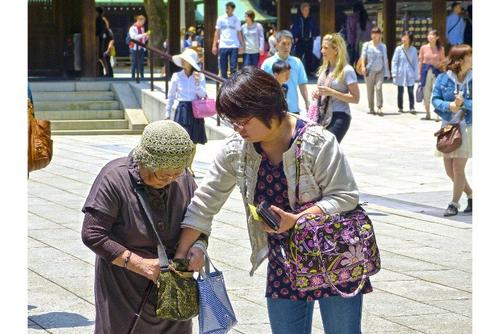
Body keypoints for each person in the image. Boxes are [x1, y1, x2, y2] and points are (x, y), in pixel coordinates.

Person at [174, 66, 371, 334]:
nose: (238, 128)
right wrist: (181, 257)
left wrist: (297, 219)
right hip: (284, 260)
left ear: (268, 108)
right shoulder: (237, 150)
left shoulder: (316, 142)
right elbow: (204, 203)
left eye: (244, 120)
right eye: (233, 121)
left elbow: (345, 196)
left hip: (334, 253)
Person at [81, 120, 207, 333]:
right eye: (163, 174)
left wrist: (199, 247)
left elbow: (199, 223)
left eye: (176, 173)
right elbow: (92, 233)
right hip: (124, 286)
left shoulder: (183, 178)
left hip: (174, 289)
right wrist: (141, 264)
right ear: (144, 161)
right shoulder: (114, 177)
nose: (170, 179)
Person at [431, 44, 472, 217]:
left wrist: (463, 105)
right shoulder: (443, 79)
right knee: (449, 170)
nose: (474, 59)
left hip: (467, 128)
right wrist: (449, 106)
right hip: (447, 128)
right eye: (470, 56)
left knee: (458, 168)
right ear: (460, 60)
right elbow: (435, 99)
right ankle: (471, 195)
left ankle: (453, 204)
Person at [312, 33, 359, 144]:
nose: (322, 51)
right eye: (322, 47)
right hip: (322, 116)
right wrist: (316, 94)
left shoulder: (347, 70)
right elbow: (322, 91)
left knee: (327, 148)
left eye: (326, 48)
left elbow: (356, 98)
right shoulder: (324, 69)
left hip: (339, 115)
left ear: (336, 50)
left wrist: (332, 92)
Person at [165, 48, 207, 146]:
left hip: (195, 109)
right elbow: (171, 96)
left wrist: (197, 83)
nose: (183, 61)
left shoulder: (200, 76)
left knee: (194, 141)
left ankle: (191, 160)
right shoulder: (176, 76)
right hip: (182, 109)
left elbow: (203, 95)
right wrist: (167, 113)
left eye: (186, 60)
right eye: (183, 59)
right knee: (181, 140)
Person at [261, 30, 309, 115]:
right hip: (273, 109)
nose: (286, 47)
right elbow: (262, 85)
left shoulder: (297, 62)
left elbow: (302, 84)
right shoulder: (267, 63)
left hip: (293, 108)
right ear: (276, 45)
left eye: (289, 44)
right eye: (283, 43)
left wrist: (307, 101)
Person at [359, 26, 390, 116]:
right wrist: (363, 67)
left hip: (380, 70)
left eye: (376, 34)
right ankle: (371, 108)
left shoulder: (383, 46)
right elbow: (363, 56)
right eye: (373, 33)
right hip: (369, 70)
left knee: (379, 88)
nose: (374, 35)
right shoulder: (367, 45)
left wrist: (387, 72)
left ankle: (379, 107)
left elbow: (385, 59)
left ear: (380, 35)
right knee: (370, 90)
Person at [212, 1, 245, 79]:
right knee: (223, 67)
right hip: (223, 45)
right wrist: (214, 45)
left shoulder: (236, 19)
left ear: (233, 9)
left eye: (229, 8)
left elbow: (239, 33)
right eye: (226, 8)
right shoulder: (220, 18)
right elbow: (217, 32)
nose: (227, 10)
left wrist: (242, 45)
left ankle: (232, 85)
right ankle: (224, 83)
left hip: (234, 45)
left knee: (233, 66)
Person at [418, 29, 445, 121]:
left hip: (437, 72)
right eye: (429, 35)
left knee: (436, 93)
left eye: (432, 35)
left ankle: (438, 114)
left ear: (437, 37)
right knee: (426, 93)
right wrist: (419, 74)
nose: (430, 37)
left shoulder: (441, 49)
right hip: (425, 72)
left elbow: (443, 62)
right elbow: (420, 61)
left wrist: (443, 74)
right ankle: (427, 113)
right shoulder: (423, 47)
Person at [391, 31, 419, 114]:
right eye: (403, 37)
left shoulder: (413, 49)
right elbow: (394, 61)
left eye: (406, 38)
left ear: (410, 39)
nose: (404, 39)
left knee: (411, 91)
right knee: (400, 91)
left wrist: (416, 75)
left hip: (410, 73)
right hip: (401, 73)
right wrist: (394, 73)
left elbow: (415, 63)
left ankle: (412, 107)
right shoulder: (398, 49)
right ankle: (400, 107)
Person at [291, 2, 320, 75]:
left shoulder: (311, 18)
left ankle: (308, 72)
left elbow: (315, 27)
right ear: (301, 10)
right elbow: (294, 28)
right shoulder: (298, 19)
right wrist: (295, 36)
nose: (307, 11)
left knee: (309, 57)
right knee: (298, 56)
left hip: (309, 40)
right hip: (300, 40)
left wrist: (315, 34)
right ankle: (297, 71)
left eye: (308, 10)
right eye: (305, 10)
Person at [129, 15, 150, 79]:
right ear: (138, 20)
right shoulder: (132, 28)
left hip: (141, 47)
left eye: (144, 22)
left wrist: (146, 37)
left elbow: (142, 39)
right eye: (142, 22)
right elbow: (133, 37)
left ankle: (142, 75)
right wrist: (143, 35)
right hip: (134, 48)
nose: (143, 23)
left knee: (141, 63)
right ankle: (133, 76)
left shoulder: (142, 28)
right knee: (134, 62)